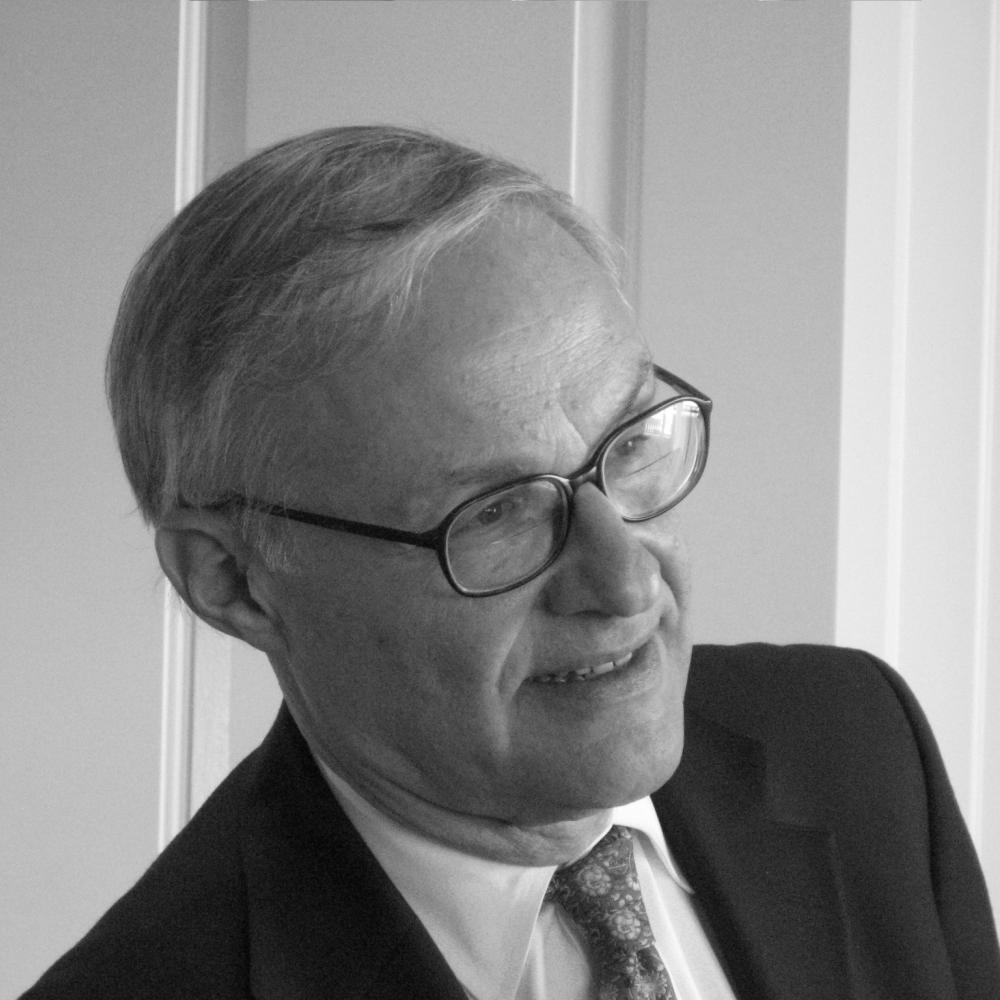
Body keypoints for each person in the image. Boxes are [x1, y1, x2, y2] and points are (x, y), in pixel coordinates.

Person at [22, 126, 999, 1000]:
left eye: (627, 443)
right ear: (233, 580)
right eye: (493, 514)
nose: (625, 583)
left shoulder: (854, 745)